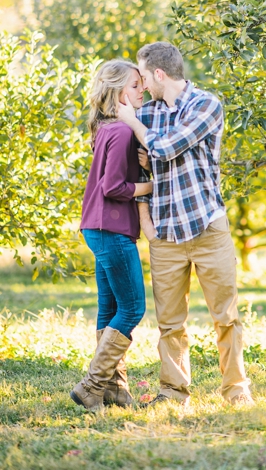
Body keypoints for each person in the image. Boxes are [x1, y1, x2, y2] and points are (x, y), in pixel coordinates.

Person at [116, 41, 253, 406]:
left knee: (226, 316)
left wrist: (136, 127)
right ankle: (173, 393)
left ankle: (236, 390)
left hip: (208, 227)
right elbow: (137, 165)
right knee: (170, 323)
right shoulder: (149, 115)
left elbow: (164, 149)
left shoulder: (206, 105)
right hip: (164, 233)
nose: (141, 86)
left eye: (144, 77)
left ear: (159, 74)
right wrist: (145, 219)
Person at [72, 60, 152, 411]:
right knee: (133, 308)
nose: (143, 90)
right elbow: (113, 186)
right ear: (120, 92)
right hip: (111, 228)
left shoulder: (108, 127)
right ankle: (91, 386)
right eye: (136, 85)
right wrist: (153, 184)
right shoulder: (121, 132)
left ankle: (114, 390)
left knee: (111, 308)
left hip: (98, 227)